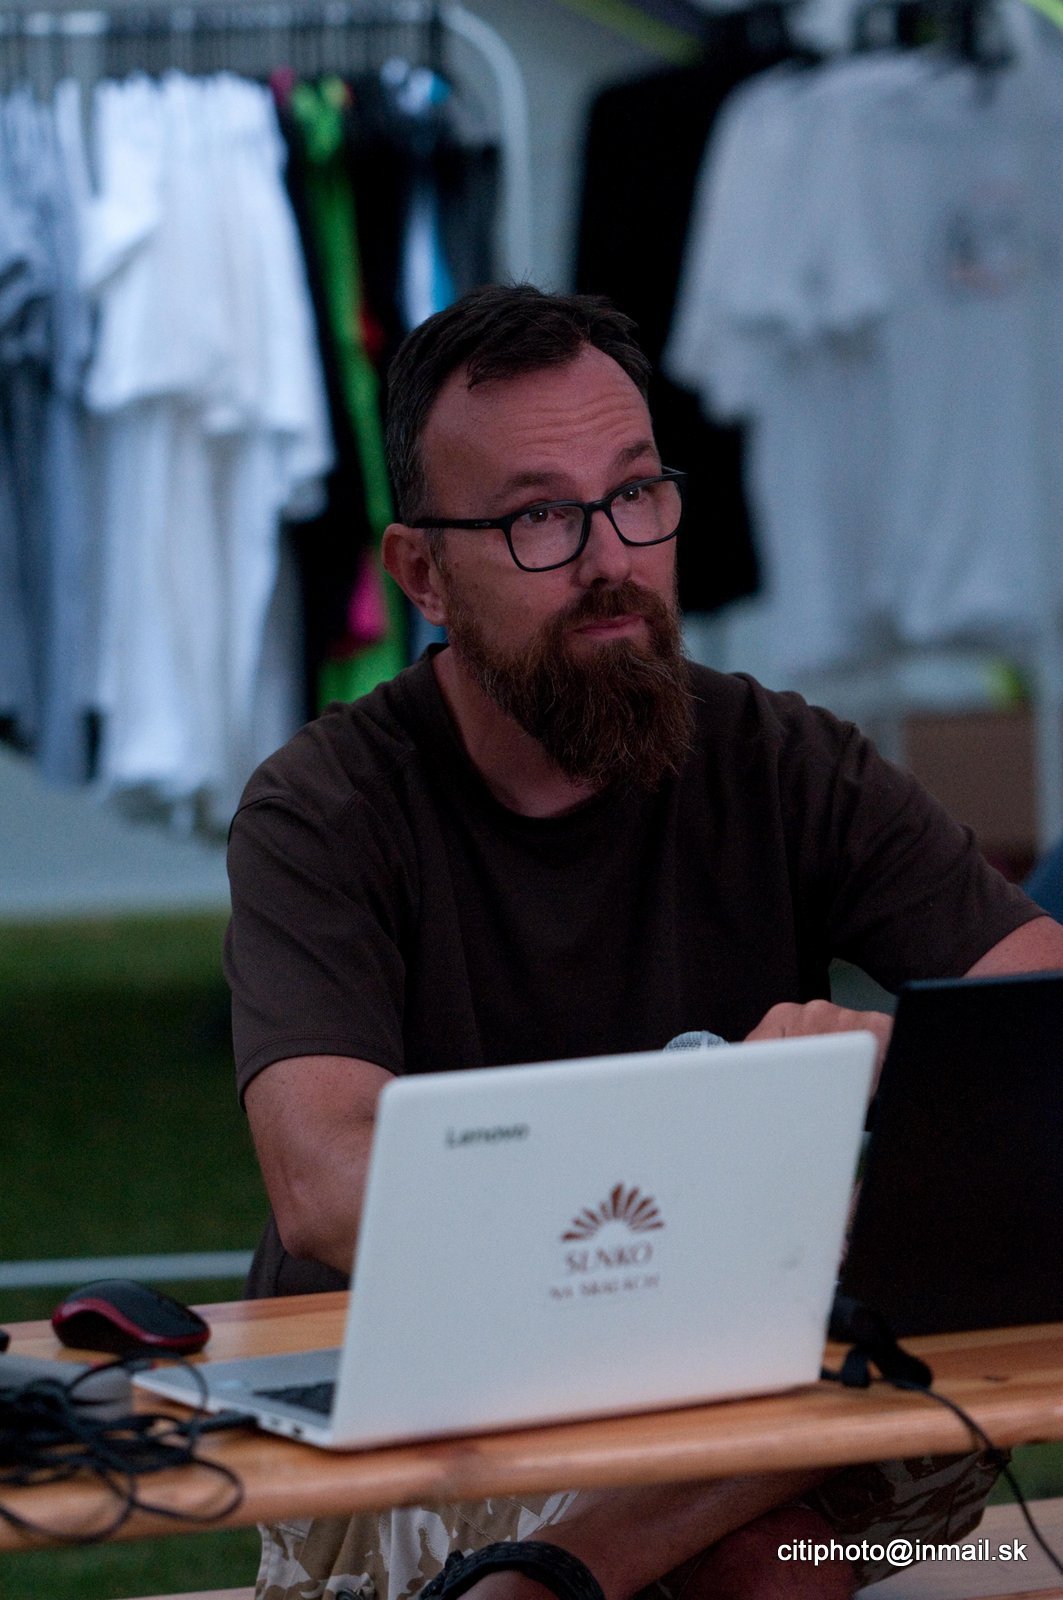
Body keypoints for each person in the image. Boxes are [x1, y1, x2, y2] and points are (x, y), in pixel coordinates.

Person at [225, 283, 1063, 1600]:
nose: (610, 556)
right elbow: (327, 1179)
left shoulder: (776, 755)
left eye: (634, 494)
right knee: (776, 1562)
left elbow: (1041, 1020)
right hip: (434, 1408)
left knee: (801, 1550)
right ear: (422, 574)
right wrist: (734, 1171)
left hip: (762, 1389)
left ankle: (540, 1585)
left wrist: (889, 1060)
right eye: (539, 517)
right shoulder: (322, 808)